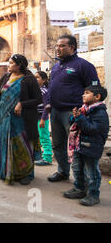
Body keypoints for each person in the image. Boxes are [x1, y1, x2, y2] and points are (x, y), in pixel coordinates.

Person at [47, 34, 100, 182]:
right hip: (56, 112)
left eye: (62, 46)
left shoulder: (83, 65)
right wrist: (50, 103)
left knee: (77, 148)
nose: (58, 48)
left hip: (73, 113)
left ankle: (81, 182)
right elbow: (52, 86)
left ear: (72, 47)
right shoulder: (57, 66)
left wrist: (85, 110)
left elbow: (95, 90)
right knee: (57, 144)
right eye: (57, 45)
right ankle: (63, 172)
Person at [0, 54, 42, 185]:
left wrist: (22, 104)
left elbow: (38, 99)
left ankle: (26, 174)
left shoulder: (29, 79)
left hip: (22, 120)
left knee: (22, 146)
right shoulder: (5, 77)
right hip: (5, 118)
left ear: (19, 65)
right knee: (6, 144)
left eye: (11, 63)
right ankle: (6, 171)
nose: (8, 65)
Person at [63, 85, 109, 206]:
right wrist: (74, 116)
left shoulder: (100, 113)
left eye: (87, 93)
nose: (83, 95)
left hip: (91, 147)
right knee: (77, 168)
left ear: (97, 97)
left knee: (91, 172)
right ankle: (79, 189)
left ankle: (93, 195)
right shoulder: (84, 109)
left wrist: (79, 117)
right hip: (79, 145)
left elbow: (92, 129)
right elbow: (74, 123)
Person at [34, 71, 53, 166]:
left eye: (37, 77)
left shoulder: (44, 91)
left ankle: (47, 158)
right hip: (36, 117)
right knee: (38, 137)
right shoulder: (36, 90)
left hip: (42, 118)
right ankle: (40, 156)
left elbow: (47, 107)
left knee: (44, 137)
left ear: (44, 80)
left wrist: (43, 119)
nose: (35, 79)